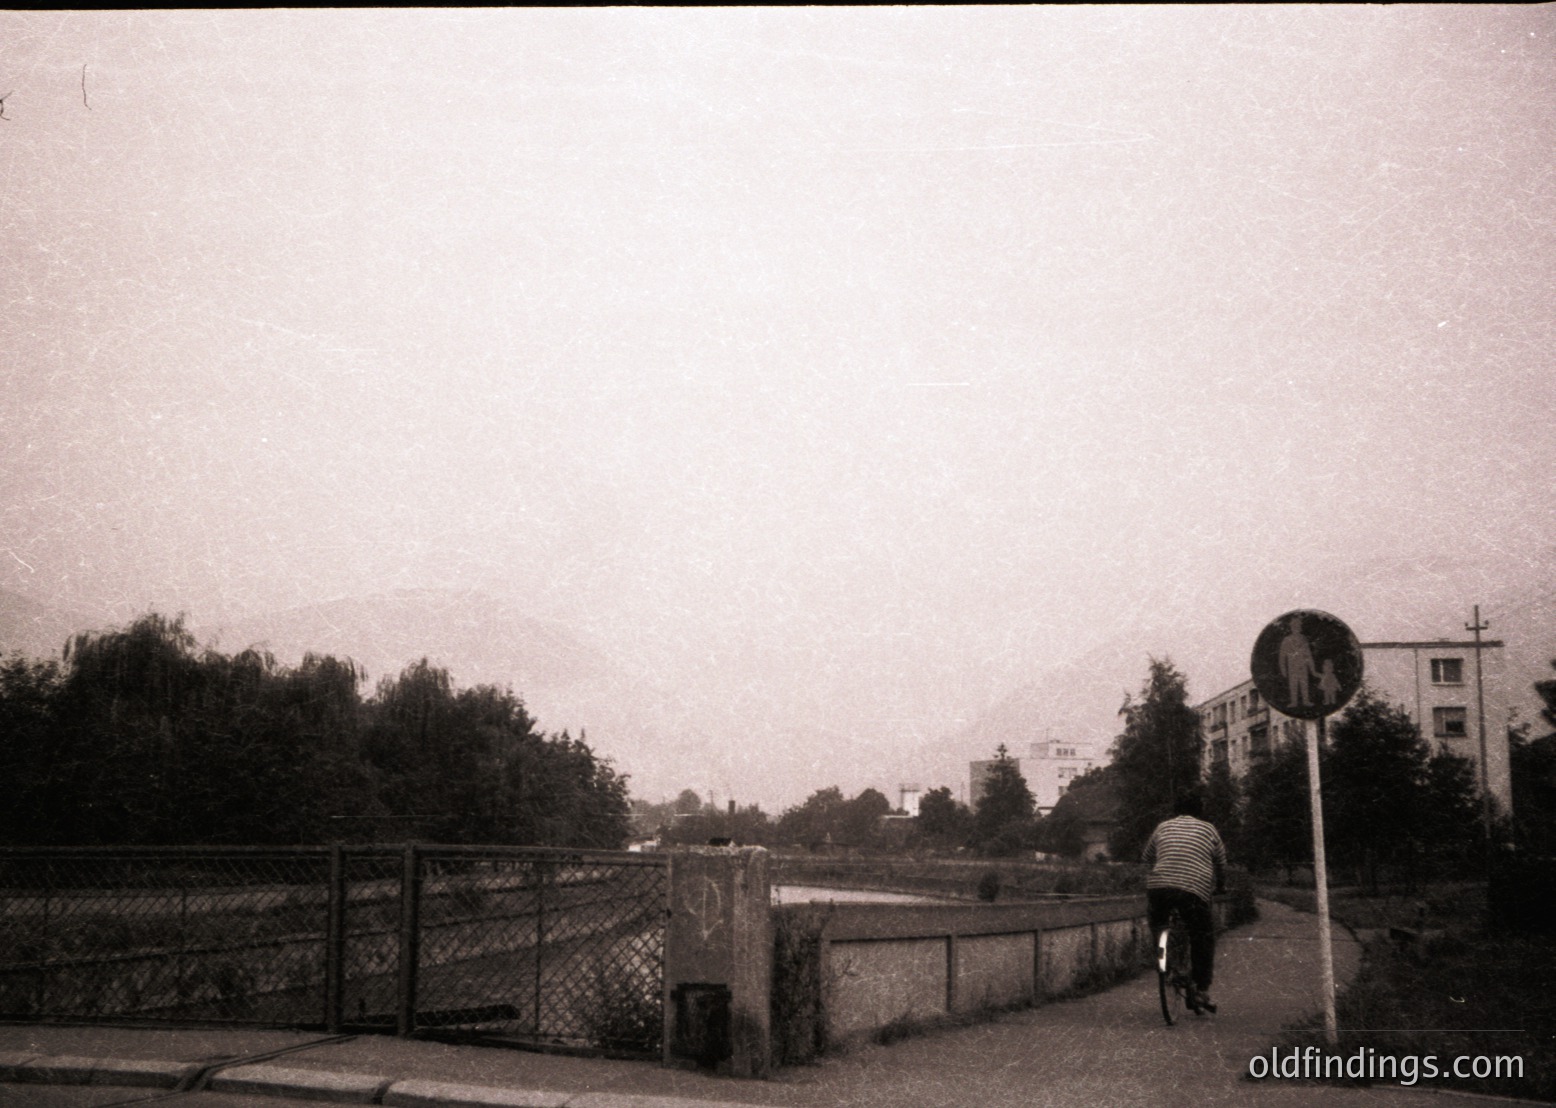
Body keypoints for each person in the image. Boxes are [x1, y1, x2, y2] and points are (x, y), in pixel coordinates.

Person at [1142, 792, 1227, 1013]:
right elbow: (1220, 863)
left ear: (1175, 810)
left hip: (1159, 887)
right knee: (1203, 936)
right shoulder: (1208, 829)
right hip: (1193, 890)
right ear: (1200, 809)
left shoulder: (1162, 827)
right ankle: (1201, 988)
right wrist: (1220, 886)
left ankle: (1165, 962)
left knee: (1158, 924)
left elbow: (1147, 857)